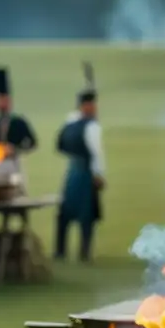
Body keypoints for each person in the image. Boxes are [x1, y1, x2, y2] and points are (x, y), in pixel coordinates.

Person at [55, 86, 104, 262]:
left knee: (65, 212)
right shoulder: (92, 126)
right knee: (86, 214)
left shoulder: (70, 121)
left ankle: (60, 251)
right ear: (87, 105)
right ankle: (84, 252)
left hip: (72, 171)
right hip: (85, 173)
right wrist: (99, 174)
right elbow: (97, 153)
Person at [0, 67, 37, 165]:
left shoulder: (19, 122)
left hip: (14, 162)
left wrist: (15, 149)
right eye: (0, 101)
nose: (2, 104)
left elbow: (32, 143)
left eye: (5, 101)